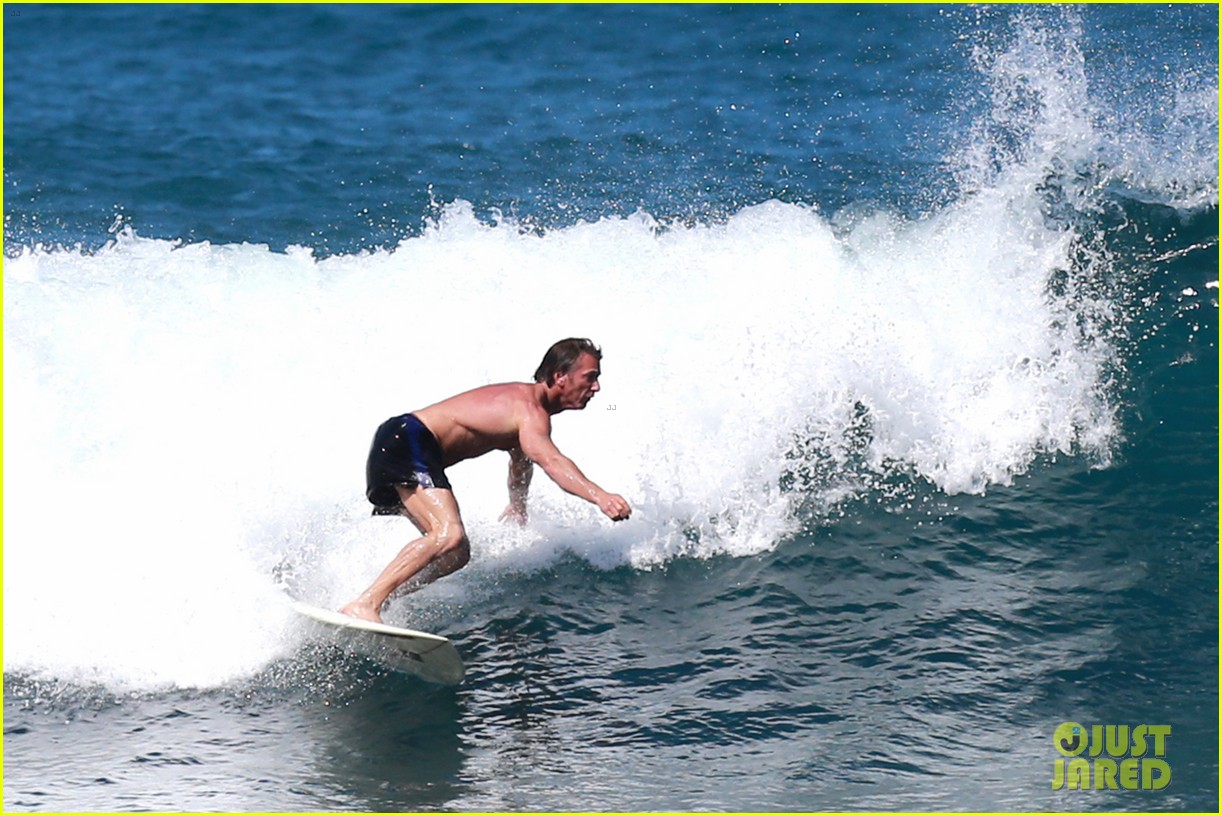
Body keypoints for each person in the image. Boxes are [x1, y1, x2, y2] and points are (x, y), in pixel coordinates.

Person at [340, 338, 632, 622]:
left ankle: (379, 602)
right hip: (409, 438)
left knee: (456, 554)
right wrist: (600, 496)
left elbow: (522, 462)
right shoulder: (530, 410)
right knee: (448, 534)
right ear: (560, 376)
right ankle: (366, 603)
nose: (596, 387)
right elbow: (552, 462)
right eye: (589, 377)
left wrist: (518, 505)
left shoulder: (525, 413)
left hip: (399, 442)